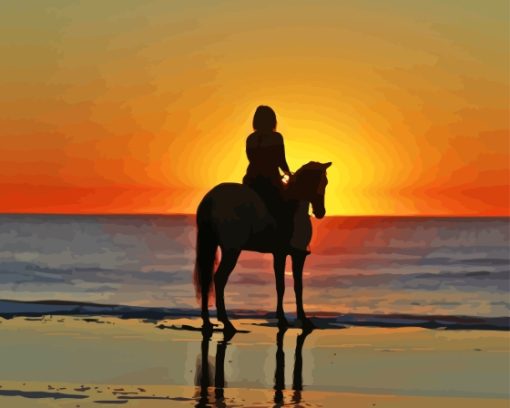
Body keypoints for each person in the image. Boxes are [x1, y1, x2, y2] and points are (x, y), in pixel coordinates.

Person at [242, 105, 293, 248]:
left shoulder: (250, 138)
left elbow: (251, 159)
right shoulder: (276, 137)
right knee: (285, 208)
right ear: (272, 120)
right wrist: (289, 174)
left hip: (251, 179)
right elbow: (281, 160)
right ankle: (283, 239)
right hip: (270, 180)